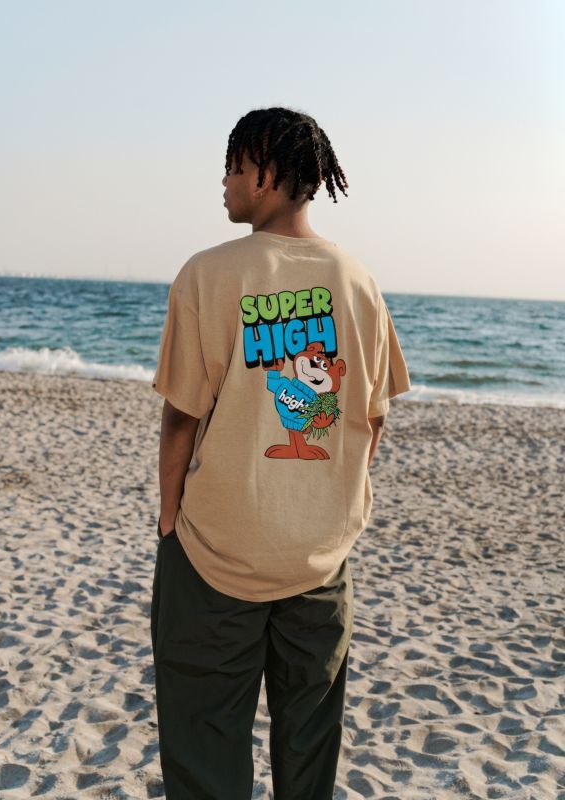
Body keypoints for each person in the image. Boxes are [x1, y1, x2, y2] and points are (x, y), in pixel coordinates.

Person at [150, 106, 411, 800]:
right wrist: (331, 508)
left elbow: (180, 417)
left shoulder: (207, 274)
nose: (224, 182)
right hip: (318, 556)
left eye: (233, 167)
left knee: (204, 744)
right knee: (309, 745)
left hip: (215, 552)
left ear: (265, 175)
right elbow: (372, 419)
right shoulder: (357, 280)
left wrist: (169, 520)